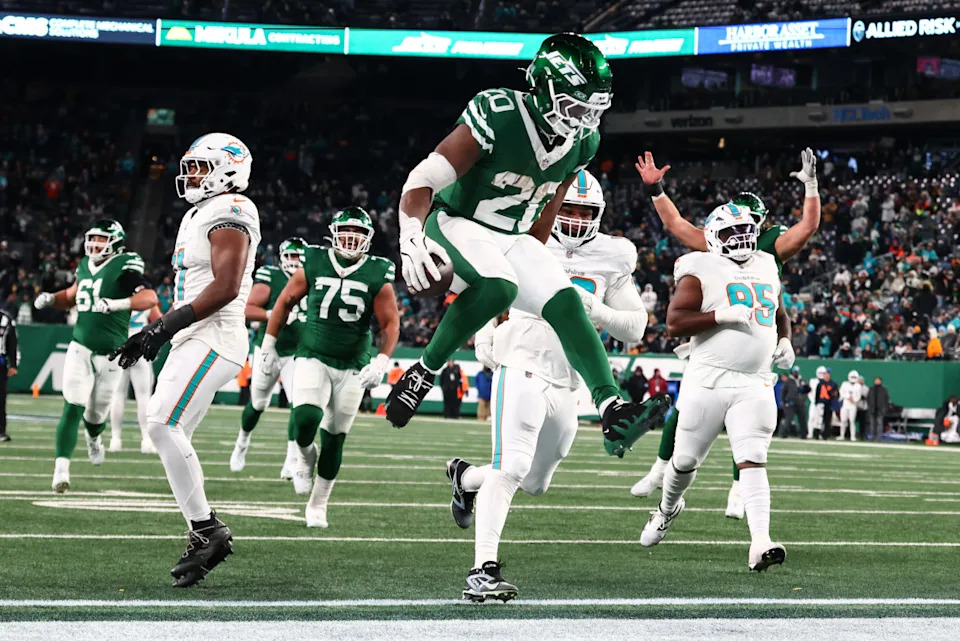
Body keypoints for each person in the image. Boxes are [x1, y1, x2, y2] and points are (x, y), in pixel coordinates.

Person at [385, 33, 668, 455]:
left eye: (593, 109)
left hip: (512, 235)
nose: (583, 120)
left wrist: (542, 261)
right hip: (455, 219)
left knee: (566, 301)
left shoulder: (583, 142)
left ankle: (612, 409)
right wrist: (410, 236)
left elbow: (548, 209)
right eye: (576, 107)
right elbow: (422, 180)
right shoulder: (499, 113)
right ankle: (423, 372)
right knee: (500, 286)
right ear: (547, 90)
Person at [449, 170, 655, 601]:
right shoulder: (527, 237)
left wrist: (599, 310)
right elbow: (490, 285)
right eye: (570, 208)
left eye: (586, 211)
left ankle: (466, 478)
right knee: (511, 467)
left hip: (568, 382)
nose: (577, 219)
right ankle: (482, 570)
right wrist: (485, 334)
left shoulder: (613, 255)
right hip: (522, 361)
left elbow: (636, 326)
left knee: (535, 483)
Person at [109, 133, 260, 587]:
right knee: (170, 434)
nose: (190, 176)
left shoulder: (230, 208)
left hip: (213, 335)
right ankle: (202, 530)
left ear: (227, 168)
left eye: (199, 167)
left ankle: (207, 529)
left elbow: (227, 285)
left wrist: (160, 327)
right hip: (194, 336)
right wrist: (163, 329)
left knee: (160, 423)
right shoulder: (199, 213)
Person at [631, 148, 818, 514]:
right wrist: (656, 190)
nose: (741, 232)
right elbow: (677, 225)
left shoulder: (768, 249)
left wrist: (811, 186)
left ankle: (737, 490)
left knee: (748, 426)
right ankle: (660, 470)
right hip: (715, 339)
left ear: (762, 225)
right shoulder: (718, 239)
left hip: (757, 334)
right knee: (686, 411)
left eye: (749, 224)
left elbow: (806, 230)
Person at [639, 205, 787, 572]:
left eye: (745, 230)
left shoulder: (766, 264)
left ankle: (760, 541)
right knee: (686, 460)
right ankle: (667, 509)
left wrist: (786, 339)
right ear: (712, 238)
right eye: (730, 232)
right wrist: (719, 316)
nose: (739, 239)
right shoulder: (699, 267)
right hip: (708, 380)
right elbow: (674, 322)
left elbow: (779, 311)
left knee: (753, 458)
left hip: (754, 382)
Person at [263, 206, 400, 529]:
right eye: (346, 232)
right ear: (333, 234)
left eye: (358, 234)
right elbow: (284, 301)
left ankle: (318, 504)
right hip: (313, 353)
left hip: (352, 363)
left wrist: (381, 359)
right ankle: (303, 456)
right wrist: (269, 342)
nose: (351, 239)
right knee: (306, 418)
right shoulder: (315, 260)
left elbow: (391, 322)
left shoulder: (377, 271)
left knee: (336, 438)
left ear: (368, 238)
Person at [34, 220, 158, 493]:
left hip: (113, 354)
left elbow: (149, 298)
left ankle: (94, 439)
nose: (94, 244)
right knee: (73, 404)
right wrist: (52, 299)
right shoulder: (84, 266)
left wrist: (117, 303)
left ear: (114, 241)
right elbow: (73, 295)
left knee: (96, 415)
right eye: (92, 239)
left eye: (101, 240)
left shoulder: (125, 264)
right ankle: (61, 469)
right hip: (80, 347)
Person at [229, 237, 308, 478]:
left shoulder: (314, 278)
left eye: (299, 256)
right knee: (258, 403)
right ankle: (242, 443)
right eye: (291, 256)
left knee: (299, 405)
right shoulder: (271, 276)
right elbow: (247, 308)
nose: (295, 261)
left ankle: (291, 460)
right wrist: (273, 313)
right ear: (282, 259)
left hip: (298, 350)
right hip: (269, 347)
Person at [109, 306, 161, 454]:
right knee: (144, 396)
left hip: (120, 343)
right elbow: (159, 320)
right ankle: (146, 440)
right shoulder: (145, 296)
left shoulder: (117, 294)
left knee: (118, 395)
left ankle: (115, 439)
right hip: (140, 344)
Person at [0, 306, 17, 442]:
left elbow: (12, 343)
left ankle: (1, 431)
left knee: (1, 399)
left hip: (0, 364)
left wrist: (13, 364)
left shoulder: (6, 319)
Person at [838, 370, 863, 441]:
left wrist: (854, 400)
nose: (853, 378)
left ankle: (852, 436)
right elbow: (841, 392)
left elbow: (858, 396)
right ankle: (842, 435)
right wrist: (848, 397)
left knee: (852, 421)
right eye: (852, 376)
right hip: (845, 404)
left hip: (853, 405)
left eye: (854, 377)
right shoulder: (844, 384)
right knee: (843, 420)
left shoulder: (858, 386)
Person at [816, 370, 839, 439]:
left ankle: (825, 434)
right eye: (826, 374)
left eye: (828, 374)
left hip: (829, 404)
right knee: (819, 420)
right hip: (821, 403)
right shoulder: (820, 383)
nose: (827, 375)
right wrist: (816, 403)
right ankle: (817, 434)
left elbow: (836, 394)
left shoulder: (833, 384)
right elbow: (817, 394)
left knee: (827, 420)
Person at [806, 366, 827, 438]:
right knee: (811, 417)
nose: (821, 374)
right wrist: (812, 400)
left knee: (820, 419)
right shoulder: (812, 381)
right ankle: (810, 433)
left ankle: (819, 433)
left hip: (821, 403)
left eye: (823, 373)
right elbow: (809, 391)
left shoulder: (826, 382)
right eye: (820, 373)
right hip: (813, 402)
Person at [866, 377, 890, 441]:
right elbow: (868, 398)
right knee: (872, 424)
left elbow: (886, 399)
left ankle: (878, 437)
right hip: (872, 409)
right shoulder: (871, 389)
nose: (877, 381)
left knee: (879, 424)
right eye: (876, 380)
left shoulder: (884, 390)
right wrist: (870, 405)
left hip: (880, 409)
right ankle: (872, 437)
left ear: (881, 381)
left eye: (878, 380)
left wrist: (884, 408)